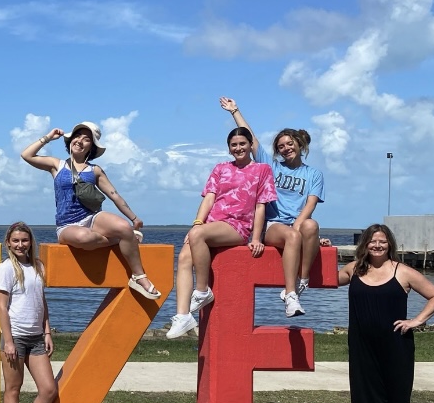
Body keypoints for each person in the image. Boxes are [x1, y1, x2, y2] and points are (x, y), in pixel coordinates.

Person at [338, 225, 434, 403]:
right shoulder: (354, 269)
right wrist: (317, 247)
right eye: (372, 241)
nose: (377, 245)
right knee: (367, 394)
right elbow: (324, 280)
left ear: (390, 245)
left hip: (395, 344)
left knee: (394, 395)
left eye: (382, 242)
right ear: (364, 244)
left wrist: (416, 321)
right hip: (361, 344)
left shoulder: (403, 272)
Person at [21, 121, 160, 300]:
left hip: (92, 218)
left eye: (86, 139)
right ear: (70, 140)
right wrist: (48, 137)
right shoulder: (57, 165)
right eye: (77, 136)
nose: (80, 141)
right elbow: (27, 155)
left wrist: (134, 218)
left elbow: (114, 195)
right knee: (84, 237)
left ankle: (139, 277)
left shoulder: (95, 171)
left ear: (91, 147)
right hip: (67, 225)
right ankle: (120, 240)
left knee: (124, 226)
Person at [220, 97, 331, 317]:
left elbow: (309, 206)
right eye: (281, 146)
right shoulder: (271, 166)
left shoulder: (314, 174)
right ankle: (290, 296)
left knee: (311, 225)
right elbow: (251, 141)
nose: (286, 148)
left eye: (290, 144)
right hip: (274, 224)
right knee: (293, 236)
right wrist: (235, 111)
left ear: (300, 145)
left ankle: (303, 281)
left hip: (296, 224)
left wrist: (304, 232)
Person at [167, 126, 277, 339]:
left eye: (242, 144)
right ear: (229, 148)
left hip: (238, 226)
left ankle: (202, 290)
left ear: (250, 145)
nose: (238, 148)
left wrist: (255, 238)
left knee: (197, 235)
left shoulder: (262, 170)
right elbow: (209, 198)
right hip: (212, 224)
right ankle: (182, 316)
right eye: (234, 145)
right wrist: (198, 222)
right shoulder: (220, 168)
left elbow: (260, 205)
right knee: (183, 257)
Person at [0, 221, 56, 403]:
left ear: (31, 241)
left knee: (49, 389)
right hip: (16, 337)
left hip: (36, 337)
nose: (20, 245)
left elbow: (41, 301)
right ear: (8, 243)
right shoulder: (7, 268)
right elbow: (1, 306)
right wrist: (8, 341)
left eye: (24, 240)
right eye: (16, 241)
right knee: (13, 389)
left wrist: (47, 332)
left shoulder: (38, 266)